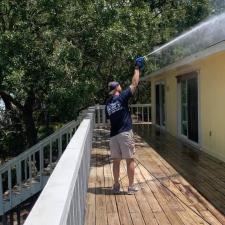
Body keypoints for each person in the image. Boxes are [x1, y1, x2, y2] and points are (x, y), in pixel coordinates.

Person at [105, 57, 145, 194]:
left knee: (116, 161)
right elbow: (134, 83)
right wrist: (137, 68)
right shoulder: (121, 98)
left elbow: (109, 122)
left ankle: (116, 186)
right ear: (117, 88)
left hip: (113, 136)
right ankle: (131, 187)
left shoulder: (108, 104)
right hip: (125, 133)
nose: (121, 86)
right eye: (119, 85)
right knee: (130, 160)